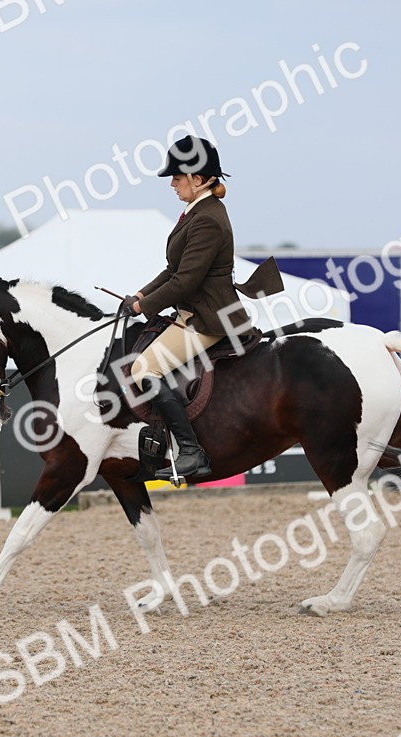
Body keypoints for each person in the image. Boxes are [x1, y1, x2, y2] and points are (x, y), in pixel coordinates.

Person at [122, 136, 281, 480]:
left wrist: (144, 308)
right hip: (195, 311)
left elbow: (186, 282)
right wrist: (139, 295)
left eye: (177, 177)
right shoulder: (196, 212)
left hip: (210, 319)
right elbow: (172, 270)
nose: (172, 184)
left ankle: (192, 453)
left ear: (197, 177)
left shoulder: (208, 218)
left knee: (143, 370)